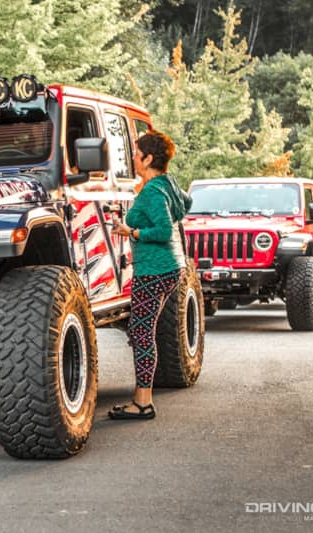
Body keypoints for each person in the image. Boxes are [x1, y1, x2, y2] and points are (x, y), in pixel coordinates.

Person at [108, 130, 191, 420]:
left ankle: (143, 402)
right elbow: (186, 204)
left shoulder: (154, 190)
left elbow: (164, 230)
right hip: (171, 266)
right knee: (141, 330)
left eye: (136, 152)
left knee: (142, 332)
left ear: (149, 158)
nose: (133, 157)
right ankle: (141, 398)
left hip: (154, 269)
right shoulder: (167, 183)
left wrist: (131, 231)